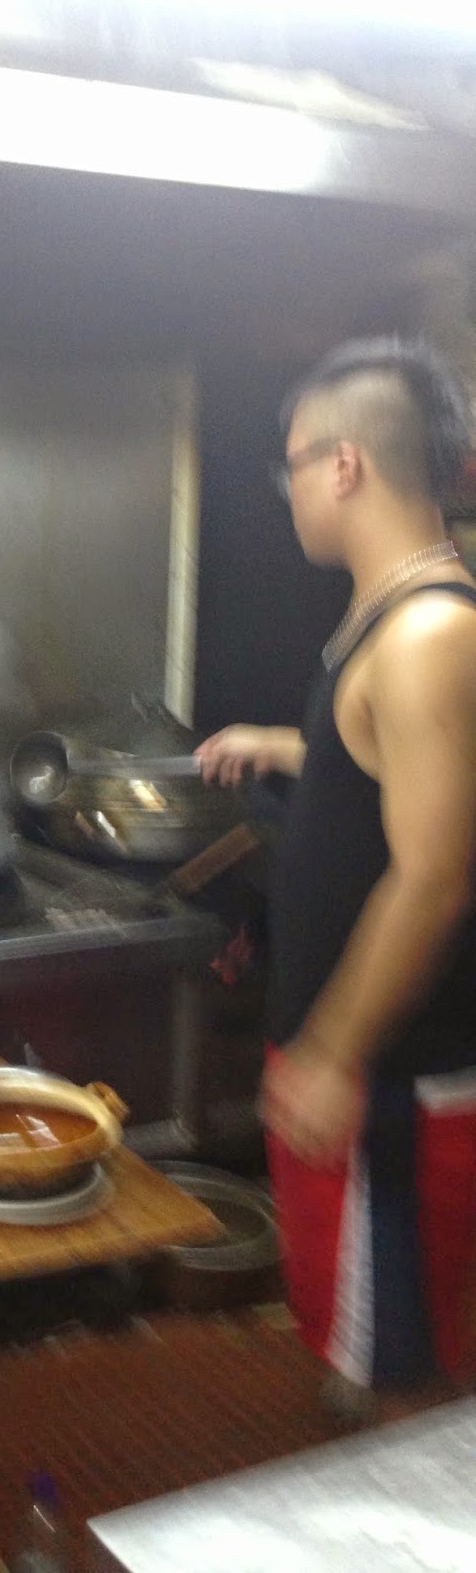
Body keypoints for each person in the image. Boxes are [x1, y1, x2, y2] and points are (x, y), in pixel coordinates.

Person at [197, 337, 476, 1415]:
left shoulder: (430, 632)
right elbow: (390, 767)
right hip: (362, 1072)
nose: (292, 493)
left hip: (392, 1081)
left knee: (405, 1371)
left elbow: (435, 874)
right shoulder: (390, 616)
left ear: (345, 464)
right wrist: (284, 744)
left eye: (295, 467)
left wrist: (331, 1052)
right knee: (365, 1342)